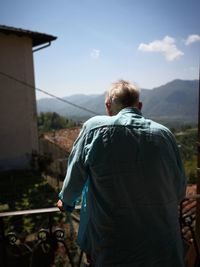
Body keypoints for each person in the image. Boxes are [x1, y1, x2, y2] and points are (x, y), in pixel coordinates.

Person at [57, 80, 186, 267]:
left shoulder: (94, 128)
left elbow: (74, 179)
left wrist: (66, 201)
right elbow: (180, 191)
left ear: (108, 106)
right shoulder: (165, 135)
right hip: (165, 249)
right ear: (139, 106)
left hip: (114, 251)